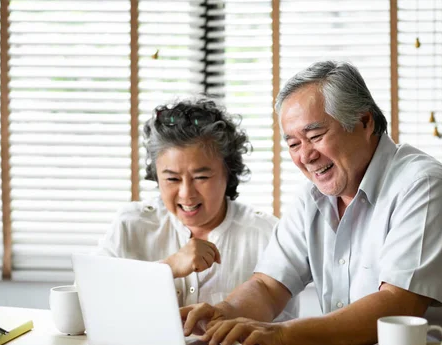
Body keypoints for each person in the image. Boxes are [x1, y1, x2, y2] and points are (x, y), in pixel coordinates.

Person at [181, 61, 442, 345]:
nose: (305, 155)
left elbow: (398, 305)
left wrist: (280, 334)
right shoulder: (313, 197)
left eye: (316, 135)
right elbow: (267, 286)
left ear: (364, 122)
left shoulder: (426, 187)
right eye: (293, 143)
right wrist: (223, 314)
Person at [96, 98, 297, 320]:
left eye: (201, 177)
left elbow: (280, 327)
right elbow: (87, 301)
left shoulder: (266, 234)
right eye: (172, 178)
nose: (186, 194)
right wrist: (167, 268)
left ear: (228, 173)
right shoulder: (131, 224)